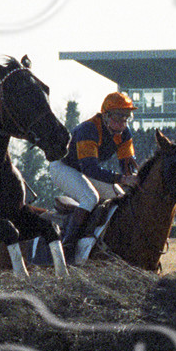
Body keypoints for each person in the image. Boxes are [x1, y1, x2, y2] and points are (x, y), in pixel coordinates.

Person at [49, 92, 140, 257]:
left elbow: (127, 166)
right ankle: (68, 246)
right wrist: (121, 178)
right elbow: (90, 169)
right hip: (63, 167)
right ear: (105, 115)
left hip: (83, 169)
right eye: (118, 116)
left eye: (126, 117)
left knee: (120, 198)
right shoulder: (89, 129)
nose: (122, 122)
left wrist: (132, 179)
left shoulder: (125, 133)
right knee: (90, 198)